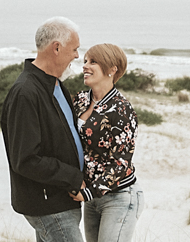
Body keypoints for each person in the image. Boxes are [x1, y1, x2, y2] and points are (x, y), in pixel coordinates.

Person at [1, 17, 86, 242]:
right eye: (75, 49)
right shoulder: (25, 92)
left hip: (61, 198)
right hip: (49, 204)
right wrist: (73, 177)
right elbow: (26, 159)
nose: (77, 56)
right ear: (56, 48)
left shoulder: (56, 85)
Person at [70, 43, 143, 242]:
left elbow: (121, 162)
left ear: (112, 69)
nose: (85, 66)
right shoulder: (80, 100)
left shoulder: (121, 110)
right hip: (92, 199)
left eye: (93, 62)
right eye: (85, 61)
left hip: (119, 196)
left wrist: (89, 192)